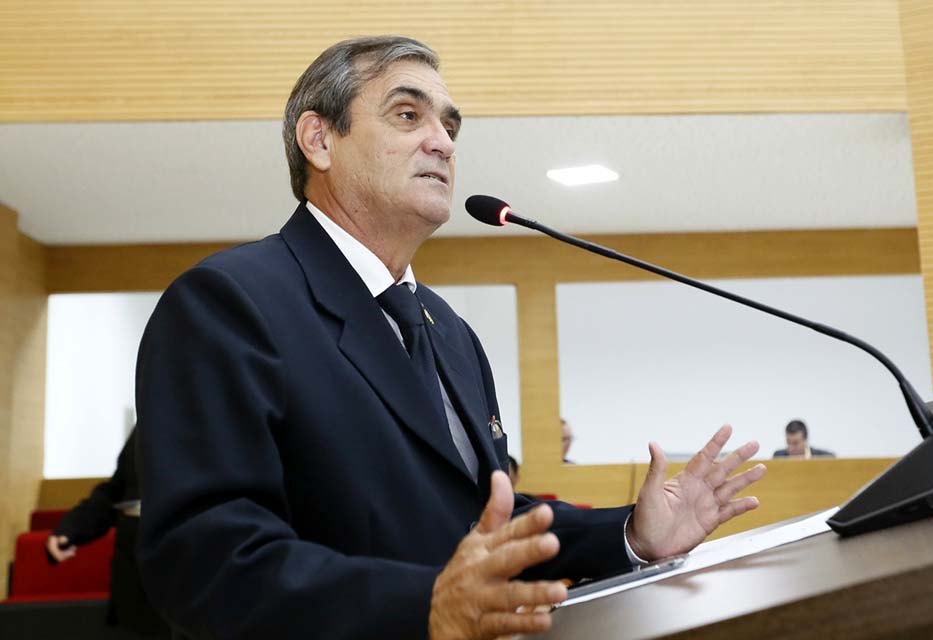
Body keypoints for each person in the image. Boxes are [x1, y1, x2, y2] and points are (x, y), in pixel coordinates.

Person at [135, 35, 766, 640]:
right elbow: (205, 558)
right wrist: (422, 607)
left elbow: (482, 517)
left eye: (450, 127)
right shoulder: (229, 302)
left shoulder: (450, 331)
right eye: (408, 115)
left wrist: (631, 535)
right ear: (319, 140)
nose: (441, 142)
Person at [45, 427, 168, 637]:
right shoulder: (145, 427)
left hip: (181, 579)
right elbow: (116, 492)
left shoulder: (210, 420)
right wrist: (71, 528)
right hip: (132, 582)